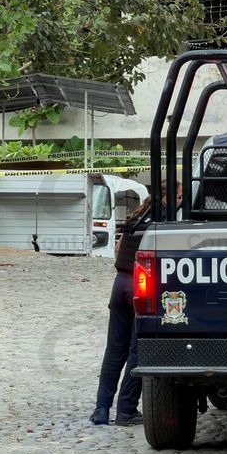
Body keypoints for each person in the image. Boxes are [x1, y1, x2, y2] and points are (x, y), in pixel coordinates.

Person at [90, 180, 183, 426]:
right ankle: (126, 410)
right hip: (141, 288)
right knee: (138, 350)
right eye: (180, 196)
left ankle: (101, 409)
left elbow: (118, 249)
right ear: (168, 198)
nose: (182, 201)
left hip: (119, 285)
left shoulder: (135, 218)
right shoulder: (165, 222)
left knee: (114, 350)